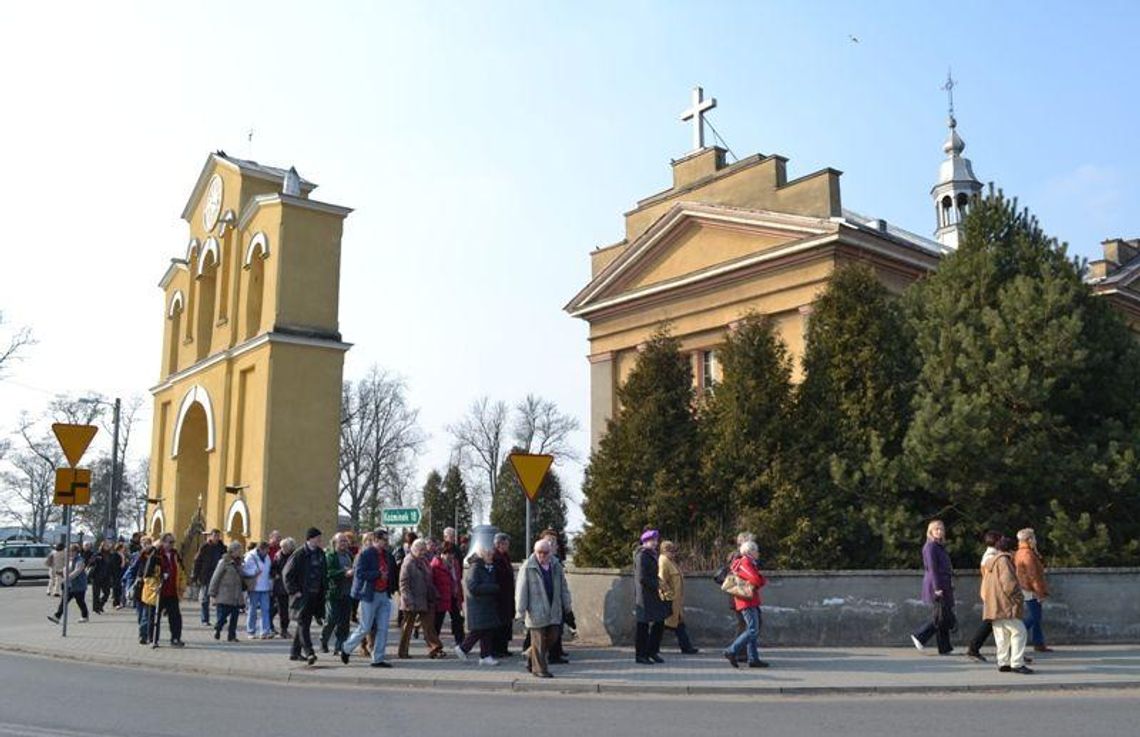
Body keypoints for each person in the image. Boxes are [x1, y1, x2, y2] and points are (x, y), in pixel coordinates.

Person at [516, 538, 572, 678]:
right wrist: (520, 610)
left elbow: (563, 587)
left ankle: (531, 653)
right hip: (536, 609)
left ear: (550, 552)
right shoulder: (528, 566)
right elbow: (521, 590)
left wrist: (567, 606)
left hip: (553, 608)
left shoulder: (556, 566)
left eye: (545, 553)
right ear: (535, 552)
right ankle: (540, 669)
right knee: (539, 641)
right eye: (539, 552)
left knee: (554, 634)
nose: (542, 555)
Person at [341, 528, 398, 667]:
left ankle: (378, 658)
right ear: (375, 540)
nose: (386, 542)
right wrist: (377, 574)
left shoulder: (388, 555)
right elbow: (359, 573)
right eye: (383, 540)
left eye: (387, 540)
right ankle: (346, 648)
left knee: (383, 628)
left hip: (384, 594)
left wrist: (393, 587)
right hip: (369, 595)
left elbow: (392, 573)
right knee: (365, 627)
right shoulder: (365, 554)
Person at [982, 536, 1033, 674]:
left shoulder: (992, 561)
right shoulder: (1004, 561)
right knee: (1019, 631)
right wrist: (1019, 598)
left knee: (1001, 635)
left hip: (994, 605)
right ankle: (1017, 663)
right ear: (1010, 550)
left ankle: (1003, 662)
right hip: (1005, 604)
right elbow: (1009, 584)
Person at [910, 519, 955, 655]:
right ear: (930, 531)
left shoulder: (939, 546)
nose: (940, 531)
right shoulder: (930, 547)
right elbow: (933, 569)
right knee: (940, 616)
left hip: (944, 583)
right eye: (936, 529)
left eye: (941, 529)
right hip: (937, 584)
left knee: (943, 615)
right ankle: (920, 636)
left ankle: (945, 647)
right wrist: (937, 588)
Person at [284, 527, 327, 665]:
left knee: (304, 623)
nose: (320, 540)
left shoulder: (320, 553)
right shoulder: (299, 554)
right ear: (310, 538)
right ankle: (310, 652)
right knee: (303, 624)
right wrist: (294, 590)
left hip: (315, 595)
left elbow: (323, 573)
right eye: (317, 538)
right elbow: (287, 574)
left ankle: (294, 653)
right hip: (302, 596)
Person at [722, 540, 768, 668]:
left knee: (752, 629)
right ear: (750, 551)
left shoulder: (748, 562)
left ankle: (753, 659)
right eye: (756, 550)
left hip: (749, 599)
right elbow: (755, 579)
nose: (758, 553)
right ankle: (731, 650)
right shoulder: (745, 562)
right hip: (746, 600)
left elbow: (756, 579)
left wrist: (760, 579)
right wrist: (761, 579)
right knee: (753, 630)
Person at [454, 541, 500, 665]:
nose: (491, 555)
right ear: (482, 554)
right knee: (478, 630)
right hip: (479, 605)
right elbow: (472, 587)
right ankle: (463, 648)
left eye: (492, 553)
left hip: (487, 605)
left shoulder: (487, 566)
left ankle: (485, 656)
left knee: (487, 630)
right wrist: (493, 588)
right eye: (489, 553)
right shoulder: (475, 567)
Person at [398, 538, 445, 658]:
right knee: (407, 628)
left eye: (424, 550)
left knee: (429, 625)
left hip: (424, 598)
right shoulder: (408, 562)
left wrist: (435, 593)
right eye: (422, 550)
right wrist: (408, 600)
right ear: (415, 549)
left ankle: (435, 648)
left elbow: (428, 579)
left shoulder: (423, 561)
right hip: (411, 601)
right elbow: (403, 584)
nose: (424, 552)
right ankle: (403, 652)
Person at [144, 532, 187, 648]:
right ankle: (153, 639)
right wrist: (155, 587)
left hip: (172, 591)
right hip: (159, 592)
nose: (172, 544)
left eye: (173, 542)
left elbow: (182, 571)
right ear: (163, 542)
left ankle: (175, 638)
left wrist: (182, 585)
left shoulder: (175, 555)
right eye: (170, 542)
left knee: (175, 616)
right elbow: (148, 575)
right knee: (154, 616)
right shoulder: (156, 555)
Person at [966, 530, 1003, 662]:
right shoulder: (991, 557)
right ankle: (973, 648)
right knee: (993, 622)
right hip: (993, 593)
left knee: (998, 623)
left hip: (991, 592)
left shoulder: (991, 555)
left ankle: (1010, 651)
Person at [634, 528, 669, 664]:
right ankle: (641, 655)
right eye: (652, 540)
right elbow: (642, 577)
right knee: (642, 626)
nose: (655, 543)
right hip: (644, 596)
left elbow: (652, 575)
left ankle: (652, 651)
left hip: (652, 594)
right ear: (645, 541)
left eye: (656, 540)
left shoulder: (651, 554)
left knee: (659, 622)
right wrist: (657, 584)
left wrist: (659, 582)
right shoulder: (642, 555)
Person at [1015, 528, 1053, 654]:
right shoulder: (1027, 554)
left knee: (1037, 615)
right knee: (1035, 616)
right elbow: (1033, 575)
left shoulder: (1021, 552)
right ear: (1029, 539)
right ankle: (1016, 636)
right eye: (1033, 537)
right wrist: (1039, 592)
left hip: (1025, 587)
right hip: (1030, 589)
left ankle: (1039, 642)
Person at [658, 540, 699, 654]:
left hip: (675, 601)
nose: (674, 553)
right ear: (665, 551)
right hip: (669, 600)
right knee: (663, 624)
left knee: (677, 623)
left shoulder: (670, 561)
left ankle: (686, 647)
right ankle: (651, 647)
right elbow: (661, 580)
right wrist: (668, 594)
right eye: (671, 551)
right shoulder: (663, 562)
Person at [320, 533, 355, 655]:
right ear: (335, 543)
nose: (344, 543)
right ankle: (324, 639)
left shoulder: (349, 555)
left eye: (345, 541)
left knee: (344, 622)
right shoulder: (330, 556)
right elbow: (328, 573)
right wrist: (344, 573)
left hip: (347, 593)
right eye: (341, 541)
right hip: (333, 592)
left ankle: (339, 646)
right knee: (331, 619)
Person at [208, 541, 245, 642]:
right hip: (224, 593)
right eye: (239, 550)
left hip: (236, 594)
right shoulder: (224, 562)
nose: (241, 552)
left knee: (235, 615)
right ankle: (218, 628)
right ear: (233, 551)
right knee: (223, 616)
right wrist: (212, 593)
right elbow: (216, 577)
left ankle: (232, 636)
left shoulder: (240, 562)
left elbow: (242, 576)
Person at [47, 544, 89, 624]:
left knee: (80, 602)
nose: (69, 553)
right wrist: (60, 573)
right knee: (64, 601)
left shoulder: (80, 560)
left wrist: (67, 578)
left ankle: (85, 616)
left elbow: (77, 571)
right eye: (68, 552)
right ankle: (57, 617)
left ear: (75, 552)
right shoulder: (70, 560)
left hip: (79, 586)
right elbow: (67, 570)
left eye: (70, 551)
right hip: (70, 585)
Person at [192, 529, 226, 627]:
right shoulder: (205, 547)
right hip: (206, 576)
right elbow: (197, 561)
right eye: (215, 536)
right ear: (210, 536)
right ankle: (205, 619)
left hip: (219, 575)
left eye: (218, 536)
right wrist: (195, 575)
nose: (216, 538)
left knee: (220, 599)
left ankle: (220, 619)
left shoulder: (222, 547)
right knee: (205, 599)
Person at [126, 536, 154, 644]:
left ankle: (144, 635)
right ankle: (143, 631)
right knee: (140, 613)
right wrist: (129, 585)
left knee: (146, 614)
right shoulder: (139, 556)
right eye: (144, 543)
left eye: (148, 543)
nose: (146, 545)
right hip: (139, 587)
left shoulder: (155, 556)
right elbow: (131, 571)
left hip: (149, 588)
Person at [491, 533, 515, 658]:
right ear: (499, 544)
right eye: (506, 544)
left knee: (506, 623)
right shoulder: (495, 558)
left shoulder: (505, 557)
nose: (508, 546)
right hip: (499, 596)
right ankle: (497, 649)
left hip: (507, 595)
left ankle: (504, 648)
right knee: (499, 624)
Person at [243, 541, 274, 639]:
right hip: (254, 587)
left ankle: (265, 631)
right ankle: (251, 631)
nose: (267, 552)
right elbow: (245, 570)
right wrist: (254, 571)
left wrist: (270, 584)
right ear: (260, 549)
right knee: (252, 610)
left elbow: (268, 571)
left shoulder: (267, 557)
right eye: (266, 550)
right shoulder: (250, 556)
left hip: (265, 587)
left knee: (265, 610)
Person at [430, 543, 458, 645]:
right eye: (448, 554)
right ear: (442, 554)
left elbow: (456, 580)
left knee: (457, 620)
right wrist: (436, 594)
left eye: (452, 554)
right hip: (440, 597)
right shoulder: (435, 565)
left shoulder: (454, 564)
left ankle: (461, 644)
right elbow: (431, 582)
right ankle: (434, 645)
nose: (451, 556)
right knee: (437, 622)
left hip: (452, 596)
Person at [271, 537, 295, 639]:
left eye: (285, 547)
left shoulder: (294, 556)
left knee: (285, 610)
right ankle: (283, 630)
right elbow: (272, 569)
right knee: (282, 610)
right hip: (280, 587)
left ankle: (269, 623)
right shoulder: (278, 556)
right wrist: (275, 574)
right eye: (282, 547)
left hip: (290, 587)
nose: (282, 549)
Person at [89, 541, 112, 614]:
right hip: (96, 576)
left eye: (108, 546)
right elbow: (90, 562)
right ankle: (96, 609)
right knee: (96, 594)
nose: (107, 547)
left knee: (107, 593)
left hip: (106, 577)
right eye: (105, 545)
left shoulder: (111, 555)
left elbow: (113, 566)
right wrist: (96, 559)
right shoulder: (97, 554)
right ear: (102, 546)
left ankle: (100, 605)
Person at [109, 542, 126, 609]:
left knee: (119, 589)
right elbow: (118, 565)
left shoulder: (121, 554)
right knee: (116, 588)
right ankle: (116, 603)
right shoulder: (115, 555)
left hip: (120, 573)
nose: (124, 549)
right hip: (116, 574)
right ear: (120, 548)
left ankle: (117, 602)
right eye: (123, 548)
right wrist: (122, 559)